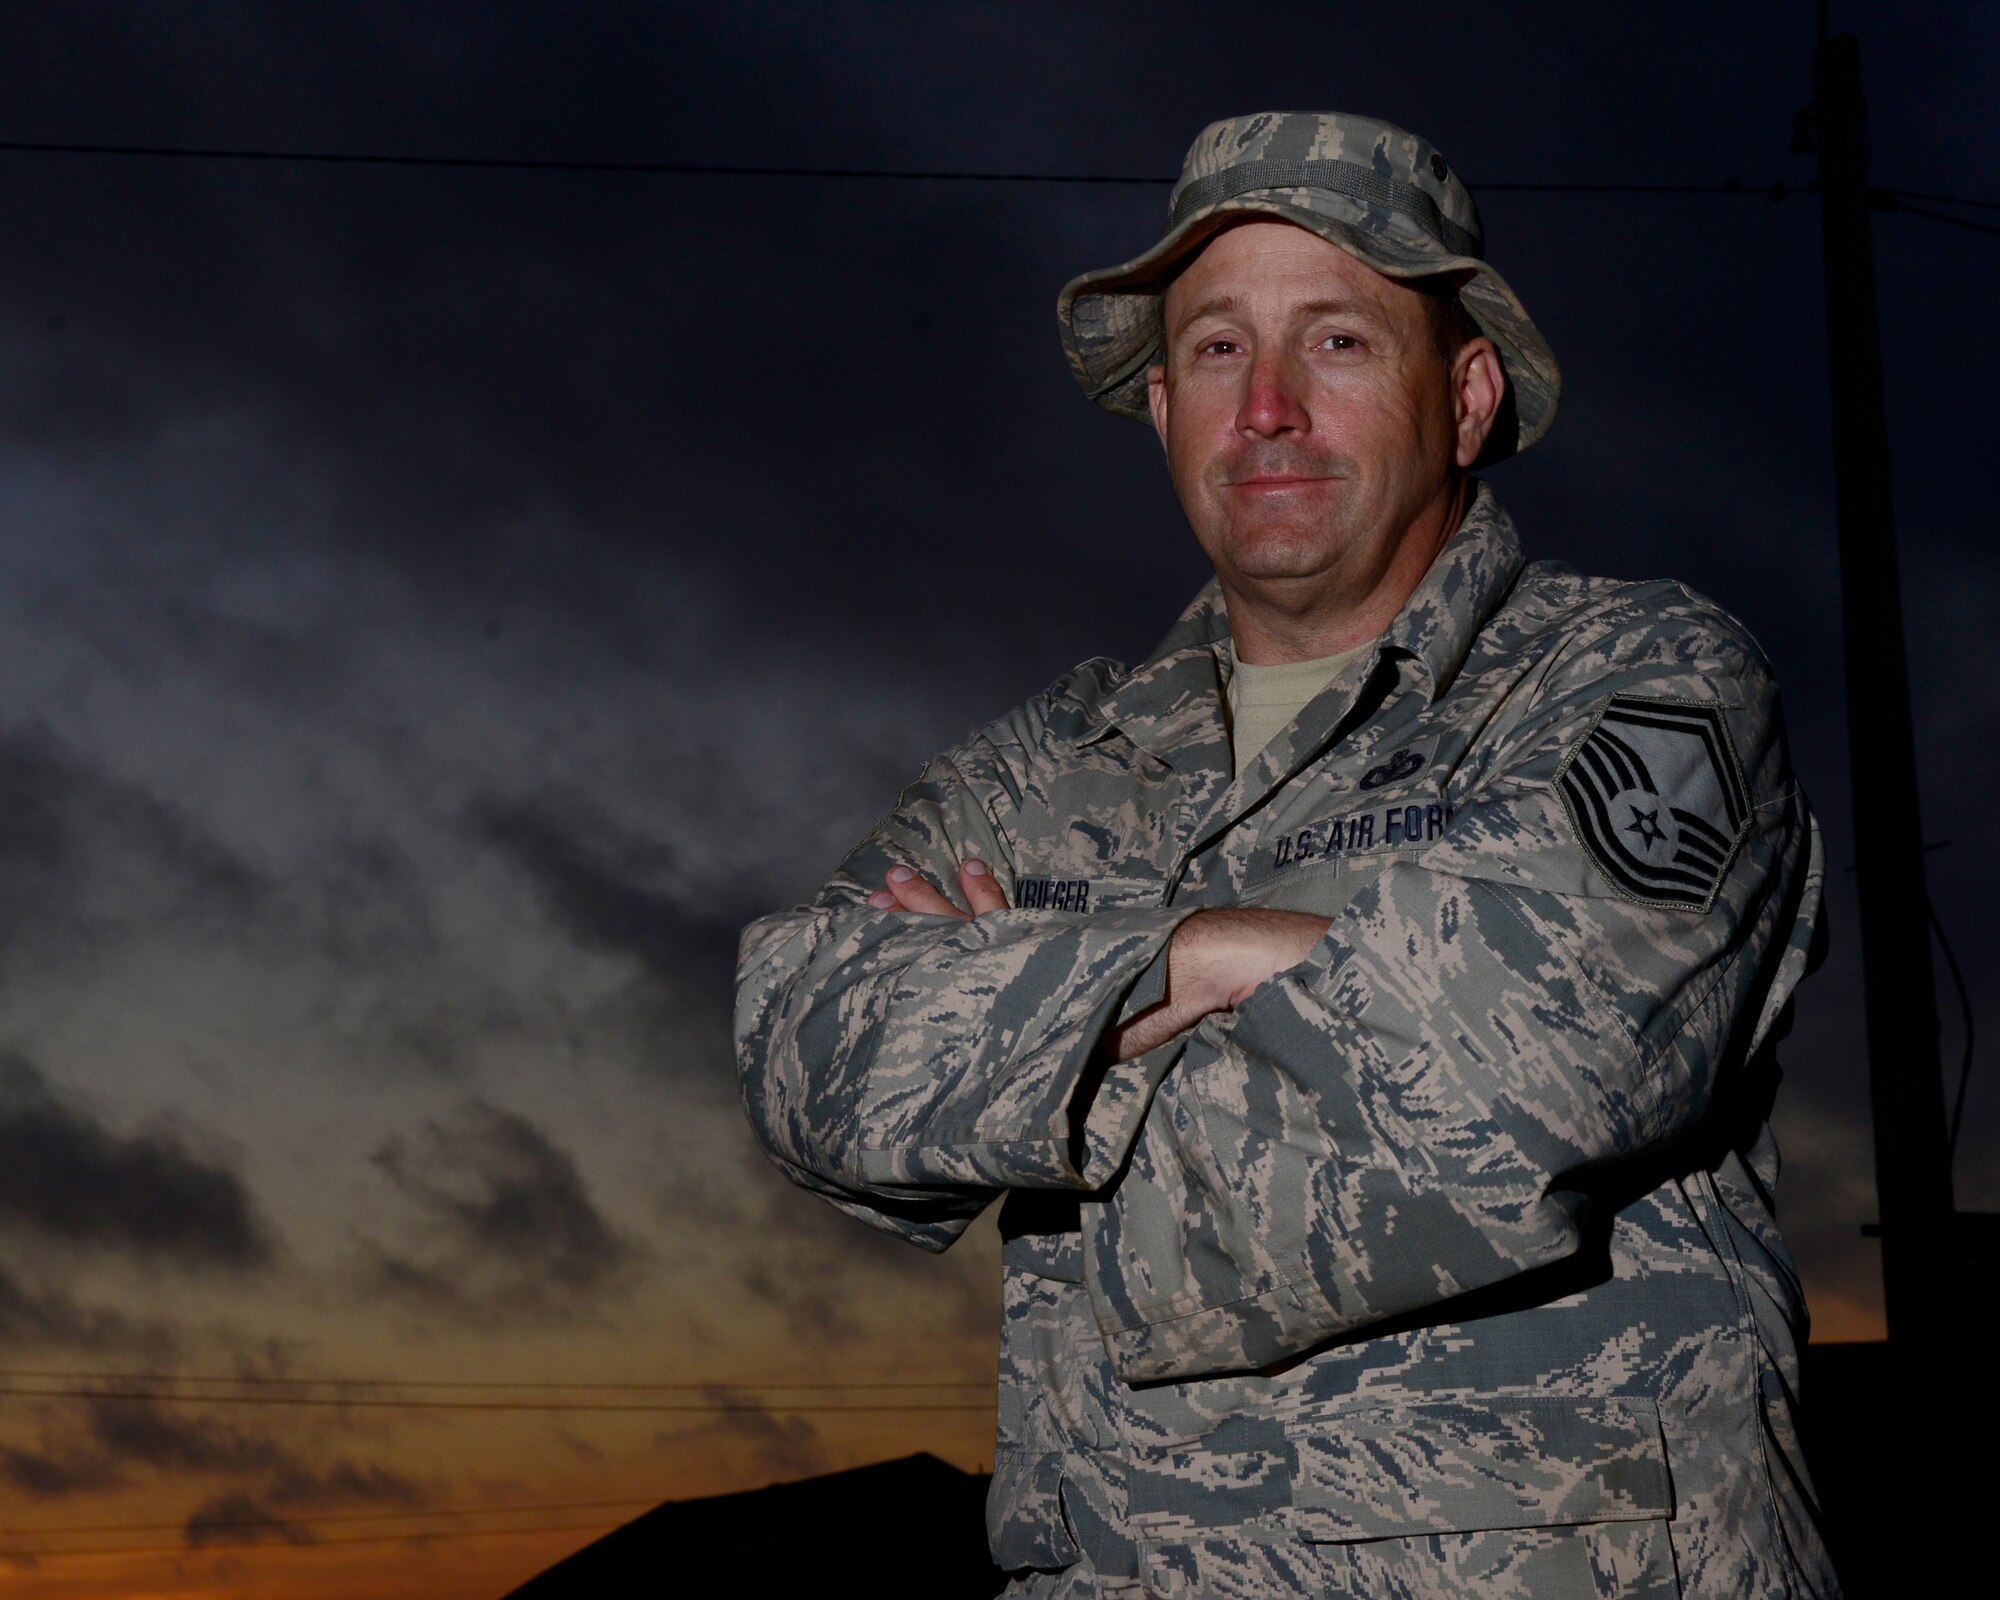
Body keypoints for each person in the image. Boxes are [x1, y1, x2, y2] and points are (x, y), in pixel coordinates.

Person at [735, 110, 1838, 1598]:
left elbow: (1515, 1083)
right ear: (1162, 409)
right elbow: (804, 1045)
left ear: (1463, 397)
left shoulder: (1642, 679)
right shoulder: (1052, 759)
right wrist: (1209, 959)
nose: (1264, 410)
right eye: (1212, 351)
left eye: (1334, 343)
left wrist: (1036, 1048)